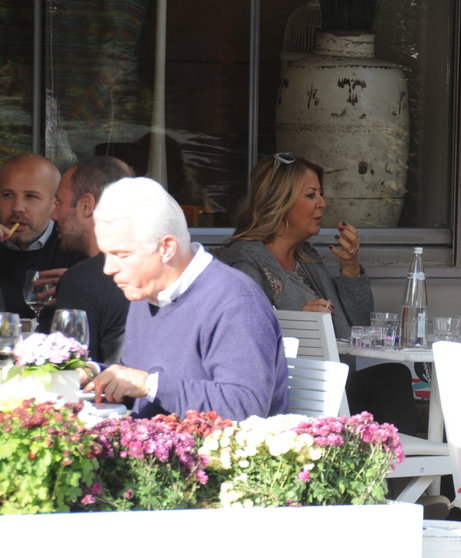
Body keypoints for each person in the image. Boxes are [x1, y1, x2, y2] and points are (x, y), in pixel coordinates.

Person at [216, 153, 417, 434]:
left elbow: (359, 328)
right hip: (292, 398)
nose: (322, 203)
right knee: (389, 380)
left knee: (392, 376)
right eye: (311, 195)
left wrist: (350, 267)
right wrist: (298, 320)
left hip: (334, 387)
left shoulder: (306, 258)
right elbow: (244, 339)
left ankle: (397, 460)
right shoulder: (244, 263)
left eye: (320, 194)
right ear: (280, 203)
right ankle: (396, 460)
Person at [85, 177, 288, 421]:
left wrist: (149, 385)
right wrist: (93, 374)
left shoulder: (236, 301)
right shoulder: (146, 292)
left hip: (216, 445)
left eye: (122, 255)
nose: (108, 268)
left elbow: (244, 407)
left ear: (167, 248)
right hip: (150, 439)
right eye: (106, 254)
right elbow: (138, 386)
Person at [51, 156, 133, 364]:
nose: (54, 215)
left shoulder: (82, 280)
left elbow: (70, 370)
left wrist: (80, 284)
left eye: (59, 202)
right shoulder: (157, 268)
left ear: (86, 205)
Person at [0, 153, 86, 329]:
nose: (17, 207)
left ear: (54, 203)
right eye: (8, 195)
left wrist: (75, 283)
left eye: (31, 196)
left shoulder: (73, 246)